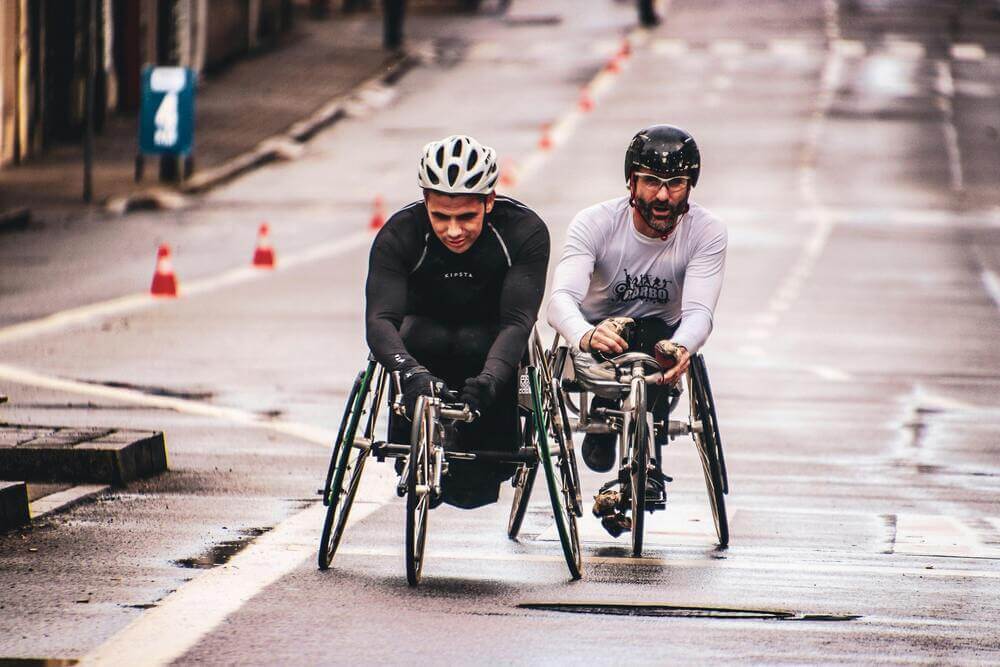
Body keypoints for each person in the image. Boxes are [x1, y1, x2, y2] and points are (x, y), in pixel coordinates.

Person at [547, 124, 727, 536]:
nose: (662, 197)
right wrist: (585, 336)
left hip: (659, 338)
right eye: (651, 182)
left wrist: (682, 346)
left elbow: (699, 311)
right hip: (596, 336)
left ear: (689, 186)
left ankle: (647, 466)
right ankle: (606, 425)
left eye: (675, 184)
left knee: (657, 338)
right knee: (632, 334)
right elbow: (559, 300)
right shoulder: (595, 222)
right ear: (631, 182)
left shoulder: (707, 231)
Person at [365, 134, 550, 509]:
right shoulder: (400, 233)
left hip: (489, 346)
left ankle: (477, 446)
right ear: (425, 204)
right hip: (423, 342)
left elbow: (518, 322)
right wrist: (409, 373)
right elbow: (380, 319)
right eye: (440, 217)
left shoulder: (523, 231)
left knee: (474, 492)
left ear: (490, 201)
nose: (453, 231)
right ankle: (417, 445)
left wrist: (489, 381)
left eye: (466, 216)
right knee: (413, 333)